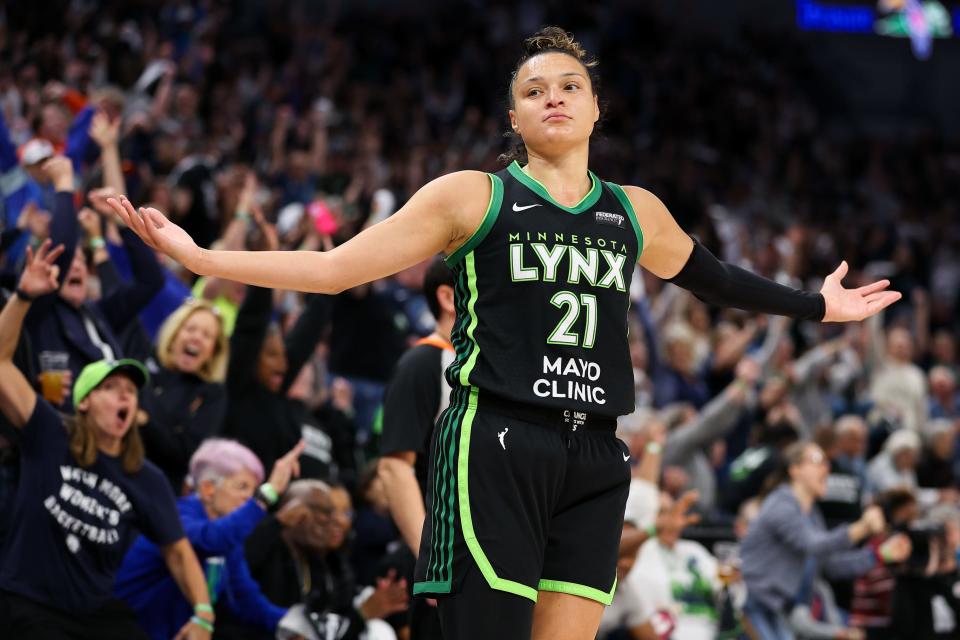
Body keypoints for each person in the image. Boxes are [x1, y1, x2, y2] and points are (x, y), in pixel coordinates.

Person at [109, 27, 902, 640]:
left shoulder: (634, 210)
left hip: (596, 450)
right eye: (534, 89)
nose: (554, 97)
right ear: (514, 116)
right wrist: (199, 254)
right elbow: (338, 269)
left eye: (570, 85)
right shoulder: (474, 196)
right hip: (495, 439)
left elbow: (718, 280)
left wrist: (816, 308)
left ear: (596, 108)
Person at [0, 241, 213, 640]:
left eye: (131, 392)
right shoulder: (48, 431)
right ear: (84, 402)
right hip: (26, 603)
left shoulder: (145, 477)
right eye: (110, 388)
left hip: (92, 615)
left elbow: (179, 551)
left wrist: (203, 614)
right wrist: (24, 295)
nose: (124, 397)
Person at [114, 438, 304, 640]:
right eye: (242, 487)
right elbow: (211, 539)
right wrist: (267, 494)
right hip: (123, 629)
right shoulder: (177, 517)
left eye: (254, 490)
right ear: (207, 489)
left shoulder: (229, 540)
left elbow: (246, 600)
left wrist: (298, 624)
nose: (249, 498)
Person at [740, 442, 912, 640]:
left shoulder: (812, 515)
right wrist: (862, 527)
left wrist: (880, 554)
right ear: (794, 470)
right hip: (752, 603)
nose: (826, 467)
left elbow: (830, 564)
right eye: (816, 461)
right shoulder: (781, 503)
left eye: (826, 462)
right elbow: (814, 545)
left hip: (776, 608)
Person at [379, 255, 456, 639]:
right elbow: (394, 468)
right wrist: (434, 562)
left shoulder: (499, 368)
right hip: (447, 558)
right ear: (449, 297)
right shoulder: (423, 362)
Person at [137, 298, 230, 492]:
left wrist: (145, 422)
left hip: (158, 488)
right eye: (190, 329)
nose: (196, 338)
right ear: (174, 333)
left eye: (207, 335)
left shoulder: (212, 394)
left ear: (214, 350)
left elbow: (187, 452)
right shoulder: (143, 361)